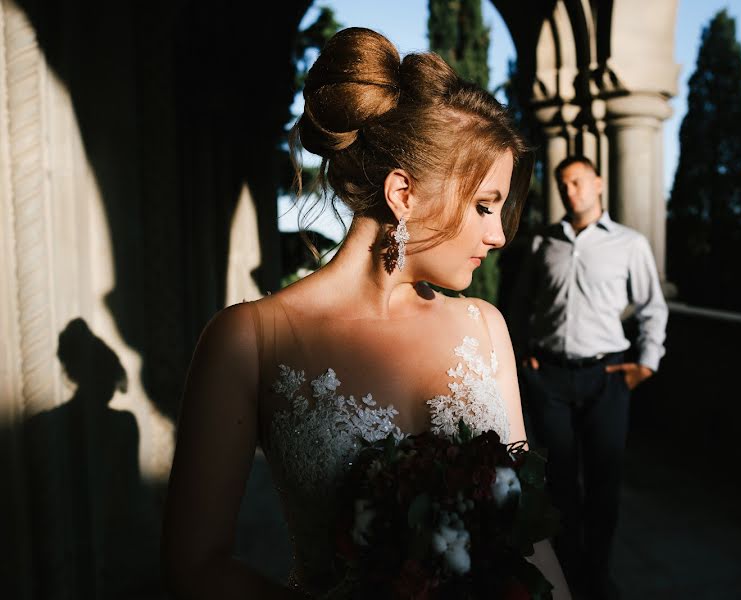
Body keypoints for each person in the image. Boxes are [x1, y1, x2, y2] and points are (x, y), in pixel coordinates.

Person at [161, 28, 570, 599]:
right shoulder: (247, 341)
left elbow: (526, 533)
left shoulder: (486, 328)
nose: (499, 235)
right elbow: (195, 566)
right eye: (483, 206)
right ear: (403, 193)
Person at [512, 155, 668, 599]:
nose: (570, 190)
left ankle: (596, 576)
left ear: (598, 183)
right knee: (558, 482)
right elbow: (521, 302)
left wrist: (647, 363)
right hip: (550, 377)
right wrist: (524, 355)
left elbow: (652, 307)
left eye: (578, 181)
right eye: (563, 184)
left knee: (604, 479)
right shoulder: (545, 242)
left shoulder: (630, 244)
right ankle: (569, 576)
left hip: (607, 375)